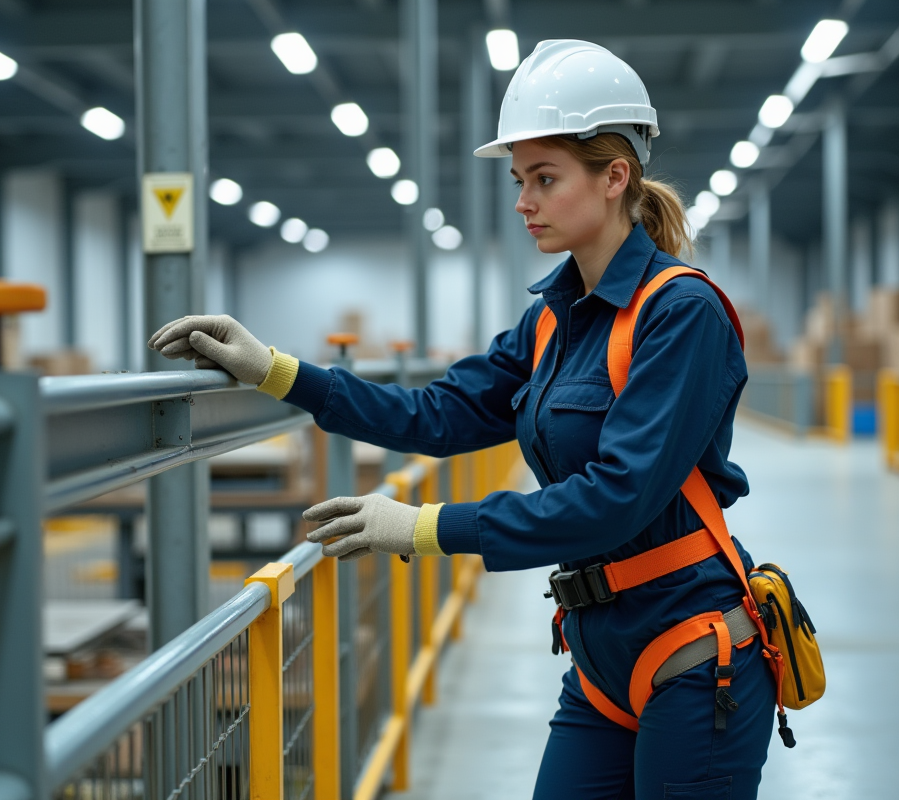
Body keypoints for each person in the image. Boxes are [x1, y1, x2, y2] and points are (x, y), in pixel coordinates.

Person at [148, 39, 775, 800]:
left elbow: (619, 496)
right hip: (600, 657)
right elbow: (436, 415)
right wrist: (277, 371)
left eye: (545, 179)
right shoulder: (554, 318)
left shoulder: (681, 315)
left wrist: (425, 527)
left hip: (693, 653)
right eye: (519, 180)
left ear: (615, 177)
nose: (523, 202)